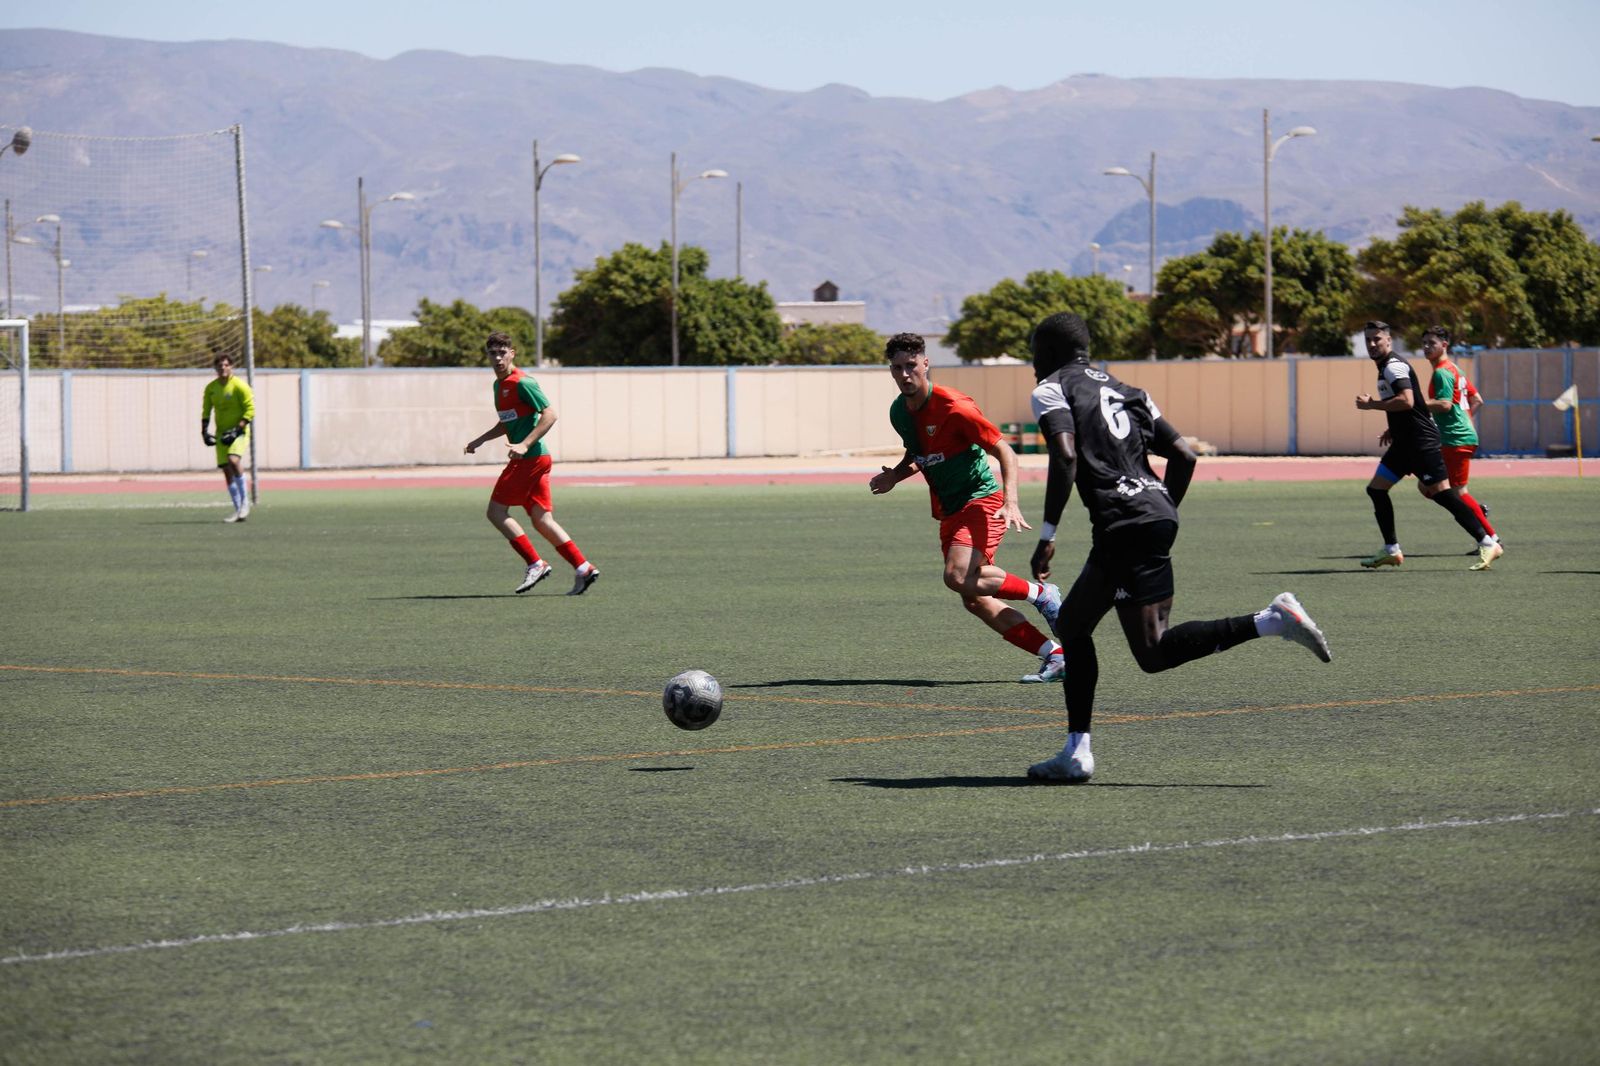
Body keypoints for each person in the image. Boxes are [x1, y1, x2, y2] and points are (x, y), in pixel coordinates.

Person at [1022, 312, 1331, 783]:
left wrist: (1047, 534)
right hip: (1155, 514)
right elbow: (1184, 455)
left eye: (1033, 352)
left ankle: (1077, 752)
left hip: (1122, 524)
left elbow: (1065, 456)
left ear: (1048, 351)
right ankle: (1271, 620)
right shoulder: (1130, 391)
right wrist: (1161, 508)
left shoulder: (1051, 389)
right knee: (1145, 649)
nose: (1031, 363)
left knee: (1082, 629)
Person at [869, 332, 1065, 683]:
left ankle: (1041, 594)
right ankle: (1055, 655)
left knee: (957, 576)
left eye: (911, 365)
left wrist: (1010, 501)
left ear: (926, 363)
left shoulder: (955, 407)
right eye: (897, 368)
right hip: (949, 508)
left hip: (981, 499)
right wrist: (895, 476)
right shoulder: (899, 411)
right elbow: (919, 454)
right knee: (973, 597)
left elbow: (1005, 451)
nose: (905, 374)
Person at [1354, 322, 1501, 572]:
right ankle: (1391, 550)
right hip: (1404, 444)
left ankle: (1488, 542)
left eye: (1376, 339)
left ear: (1388, 340)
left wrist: (1372, 405)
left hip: (1420, 442)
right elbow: (1410, 407)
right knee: (1376, 490)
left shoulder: (1394, 366)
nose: (1371, 344)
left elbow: (1407, 401)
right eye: (1367, 339)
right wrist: (1393, 429)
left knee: (1444, 493)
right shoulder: (1385, 367)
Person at [464, 331, 599, 595]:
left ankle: (535, 563)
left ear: (512, 353)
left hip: (530, 458)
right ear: (487, 356)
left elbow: (550, 415)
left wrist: (524, 444)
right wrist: (480, 440)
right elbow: (507, 422)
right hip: (536, 458)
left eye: (502, 352)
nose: (498, 358)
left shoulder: (523, 382)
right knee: (541, 519)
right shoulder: (499, 386)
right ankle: (583, 568)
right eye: (493, 353)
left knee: (496, 512)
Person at [1420, 325, 1499, 551]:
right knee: (1427, 486)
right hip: (1457, 437)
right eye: (1424, 343)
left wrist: (1414, 404)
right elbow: (1477, 400)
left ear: (1444, 345)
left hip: (1455, 439)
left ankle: (1492, 539)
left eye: (1432, 343)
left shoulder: (1442, 372)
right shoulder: (1456, 370)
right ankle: (1473, 513)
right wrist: (1465, 419)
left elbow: (1445, 404)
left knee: (1456, 492)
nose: (1426, 347)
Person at [200, 353, 254, 523]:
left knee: (233, 460)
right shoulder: (211, 388)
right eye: (219, 365)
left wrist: (237, 430)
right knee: (226, 469)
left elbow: (250, 410)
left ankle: (245, 503)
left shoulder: (240, 386)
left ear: (231, 367)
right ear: (215, 368)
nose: (222, 368)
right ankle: (238, 510)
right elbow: (206, 411)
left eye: (225, 365)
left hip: (239, 431)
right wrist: (204, 431)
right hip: (221, 433)